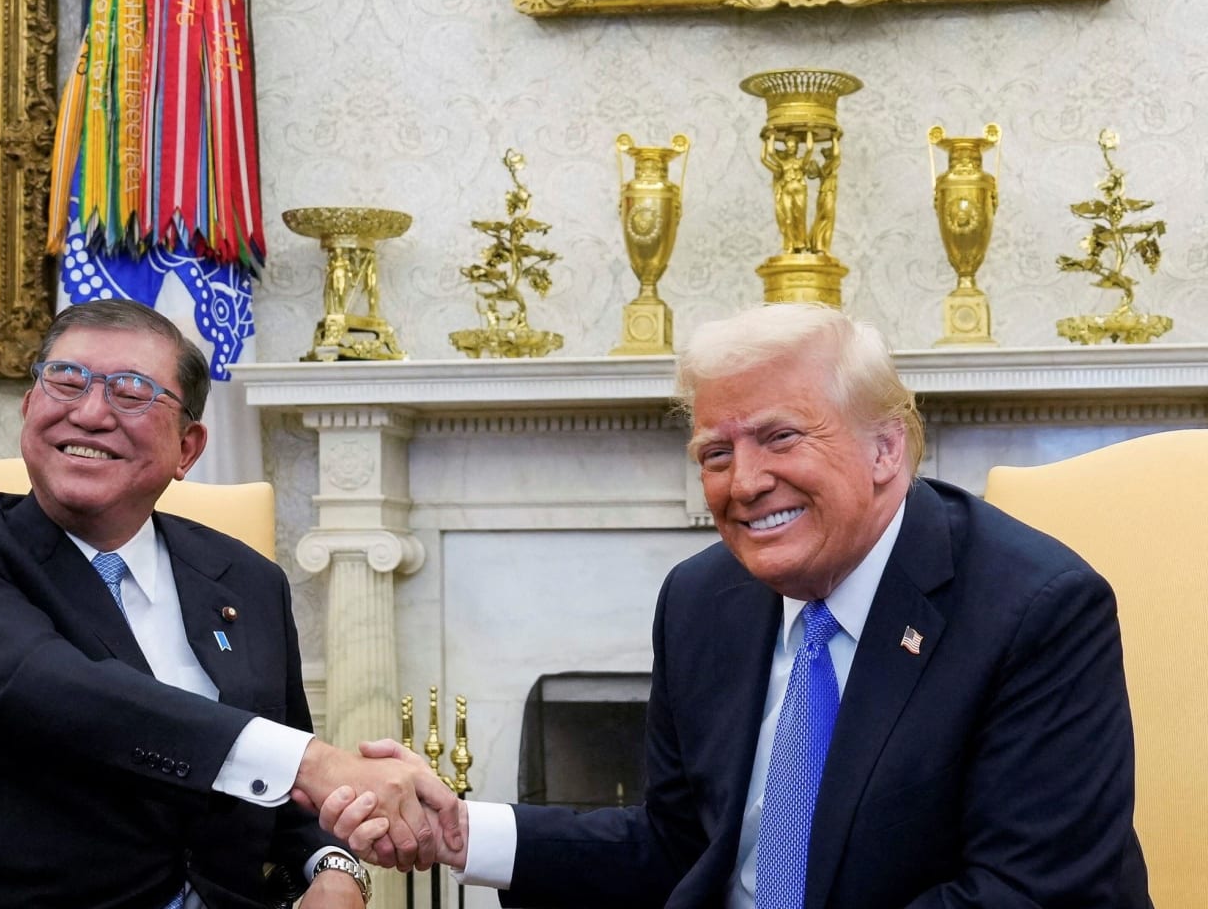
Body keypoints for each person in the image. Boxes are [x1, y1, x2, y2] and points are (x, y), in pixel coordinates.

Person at [322, 303, 1150, 908]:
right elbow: (679, 846)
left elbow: (1022, 894)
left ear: (885, 449)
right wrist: (469, 834)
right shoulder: (703, 598)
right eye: (715, 452)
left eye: (781, 437)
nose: (745, 482)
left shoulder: (1037, 610)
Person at [0, 299, 461, 909]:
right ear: (29, 407)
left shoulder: (247, 580)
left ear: (188, 447)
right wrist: (314, 761)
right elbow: (55, 692)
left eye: (131, 392)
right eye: (66, 381)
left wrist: (336, 870)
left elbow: (281, 798)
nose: (90, 412)